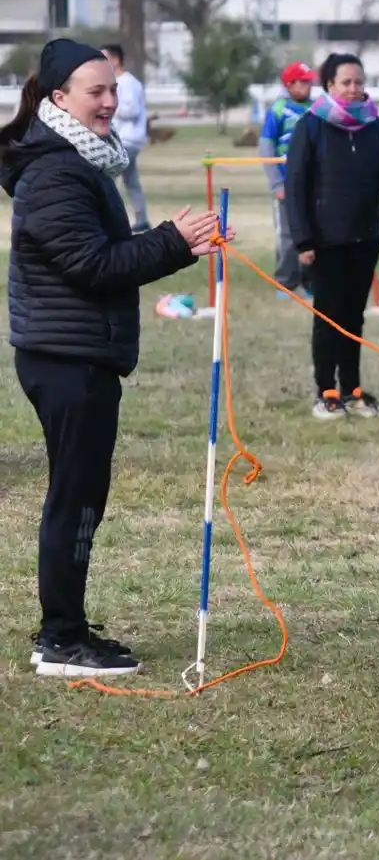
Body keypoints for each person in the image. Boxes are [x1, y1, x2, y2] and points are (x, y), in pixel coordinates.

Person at [2, 38, 229, 676]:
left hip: (77, 354)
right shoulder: (54, 170)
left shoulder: (76, 161)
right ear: (58, 99)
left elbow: (99, 250)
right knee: (74, 499)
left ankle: (66, 622)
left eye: (113, 89)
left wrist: (177, 242)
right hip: (65, 359)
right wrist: (170, 243)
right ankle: (61, 639)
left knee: (81, 496)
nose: (110, 101)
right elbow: (93, 264)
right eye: (95, 91)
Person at [284, 53, 379, 419]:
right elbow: (295, 187)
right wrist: (303, 240)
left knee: (354, 317)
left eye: (359, 81)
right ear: (330, 86)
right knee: (328, 315)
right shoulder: (311, 126)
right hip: (324, 242)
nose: (354, 88)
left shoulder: (376, 127)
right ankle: (325, 390)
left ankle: (352, 388)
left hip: (365, 238)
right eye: (346, 82)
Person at [259, 61, 318, 298]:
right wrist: (277, 184)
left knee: (313, 234)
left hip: (313, 185)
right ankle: (286, 284)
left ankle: (311, 282)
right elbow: (266, 148)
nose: (308, 86)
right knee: (287, 235)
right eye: (302, 82)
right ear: (289, 84)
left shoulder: (317, 109)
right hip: (286, 184)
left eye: (309, 81)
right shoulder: (278, 110)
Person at [100, 43, 150, 233]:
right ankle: (142, 220)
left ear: (115, 59)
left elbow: (132, 110)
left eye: (103, 58)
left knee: (107, 179)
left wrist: (108, 107)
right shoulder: (119, 83)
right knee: (131, 181)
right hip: (127, 139)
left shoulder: (127, 83)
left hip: (127, 139)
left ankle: (109, 222)